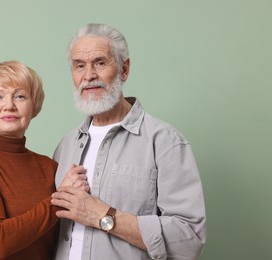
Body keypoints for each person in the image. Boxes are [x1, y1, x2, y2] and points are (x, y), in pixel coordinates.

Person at [50, 24, 207, 260]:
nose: (89, 75)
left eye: (100, 62)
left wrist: (104, 216)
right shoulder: (65, 146)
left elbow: (189, 240)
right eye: (79, 66)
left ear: (124, 69)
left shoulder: (165, 142)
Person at [0, 61, 88, 260]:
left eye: (20, 96)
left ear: (34, 107)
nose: (9, 106)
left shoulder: (49, 167)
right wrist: (60, 199)